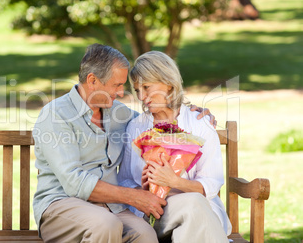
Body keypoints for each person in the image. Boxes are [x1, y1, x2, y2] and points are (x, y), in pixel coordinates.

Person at [32, 44, 215, 243]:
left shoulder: (118, 113)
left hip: (111, 207)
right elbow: (75, 182)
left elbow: (156, 119)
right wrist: (133, 197)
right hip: (62, 206)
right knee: (106, 225)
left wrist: (190, 111)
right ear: (92, 80)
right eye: (116, 85)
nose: (121, 93)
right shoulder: (56, 115)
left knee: (145, 234)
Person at [118, 51, 232, 243]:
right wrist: (144, 190)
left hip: (198, 211)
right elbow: (125, 181)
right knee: (194, 207)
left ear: (168, 83)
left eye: (146, 87)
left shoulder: (199, 124)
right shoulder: (136, 127)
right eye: (137, 90)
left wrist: (175, 182)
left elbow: (211, 184)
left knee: (194, 205)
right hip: (154, 214)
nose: (142, 96)